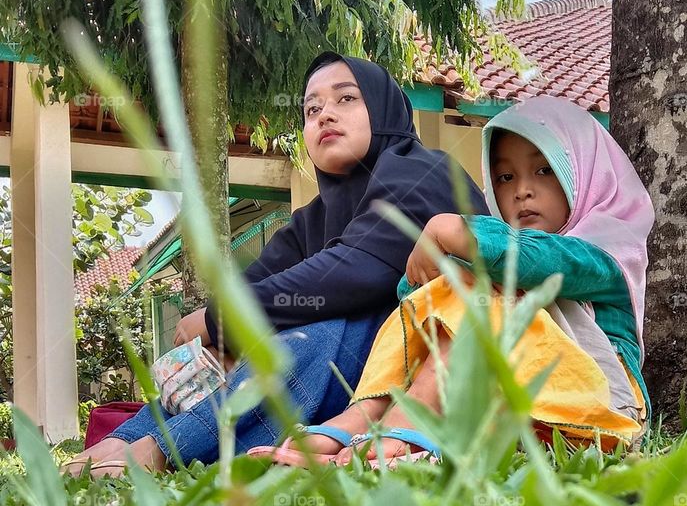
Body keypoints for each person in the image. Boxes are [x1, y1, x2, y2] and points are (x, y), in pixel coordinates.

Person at [62, 53, 486, 476]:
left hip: (430, 369)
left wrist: (219, 318)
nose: (325, 115)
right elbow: (259, 282)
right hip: (354, 382)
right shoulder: (315, 217)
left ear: (384, 108)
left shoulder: (423, 170)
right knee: (257, 341)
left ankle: (162, 451)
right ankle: (122, 440)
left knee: (318, 332)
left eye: (346, 99)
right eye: (312, 110)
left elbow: (353, 272)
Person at [261, 95, 654, 467]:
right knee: (464, 287)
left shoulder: (606, 256)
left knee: (491, 286)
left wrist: (452, 229)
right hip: (510, 411)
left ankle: (416, 416)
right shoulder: (496, 253)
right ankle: (370, 413)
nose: (522, 191)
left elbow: (539, 258)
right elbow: (413, 295)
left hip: (600, 409)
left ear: (585, 172)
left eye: (544, 170)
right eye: (504, 177)